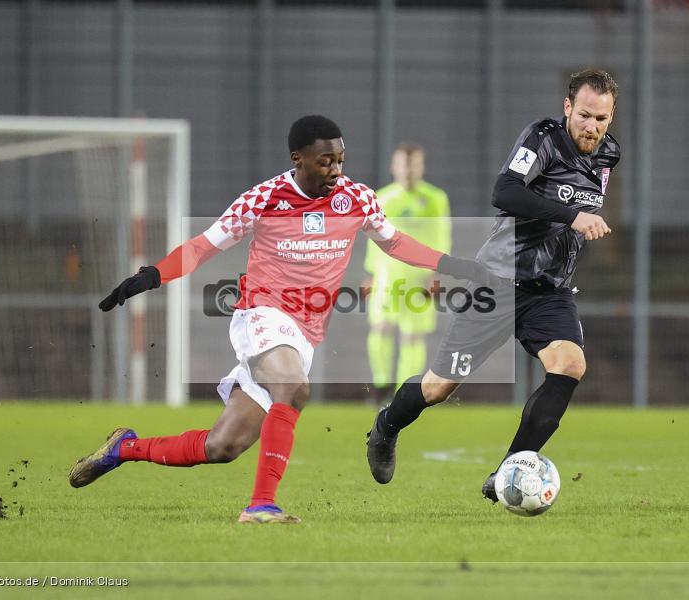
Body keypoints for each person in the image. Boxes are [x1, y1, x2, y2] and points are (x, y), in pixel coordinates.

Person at [69, 115, 497, 524]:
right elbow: (203, 245)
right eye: (325, 160)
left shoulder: (358, 197)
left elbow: (396, 242)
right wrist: (152, 274)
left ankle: (124, 448)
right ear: (298, 159)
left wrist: (454, 264)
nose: (335, 169)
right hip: (261, 313)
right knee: (293, 388)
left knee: (223, 445)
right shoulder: (264, 199)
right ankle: (261, 506)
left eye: (340, 159)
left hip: (304, 334)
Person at [365, 69, 621, 502]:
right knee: (439, 387)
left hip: (550, 290)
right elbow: (504, 192)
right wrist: (572, 216)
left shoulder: (608, 155)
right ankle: (385, 427)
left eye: (601, 118)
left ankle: (511, 469)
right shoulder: (542, 139)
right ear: (566, 108)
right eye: (583, 115)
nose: (591, 126)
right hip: (499, 282)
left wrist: (570, 232)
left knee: (570, 364)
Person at [363, 144, 451, 404]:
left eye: (413, 164)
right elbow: (374, 238)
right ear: (394, 167)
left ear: (421, 167)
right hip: (386, 275)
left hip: (418, 276)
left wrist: (436, 272)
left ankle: (404, 391)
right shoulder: (382, 197)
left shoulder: (435, 198)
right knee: (381, 328)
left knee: (413, 335)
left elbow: (441, 236)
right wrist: (370, 272)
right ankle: (380, 386)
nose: (408, 170)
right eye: (403, 164)